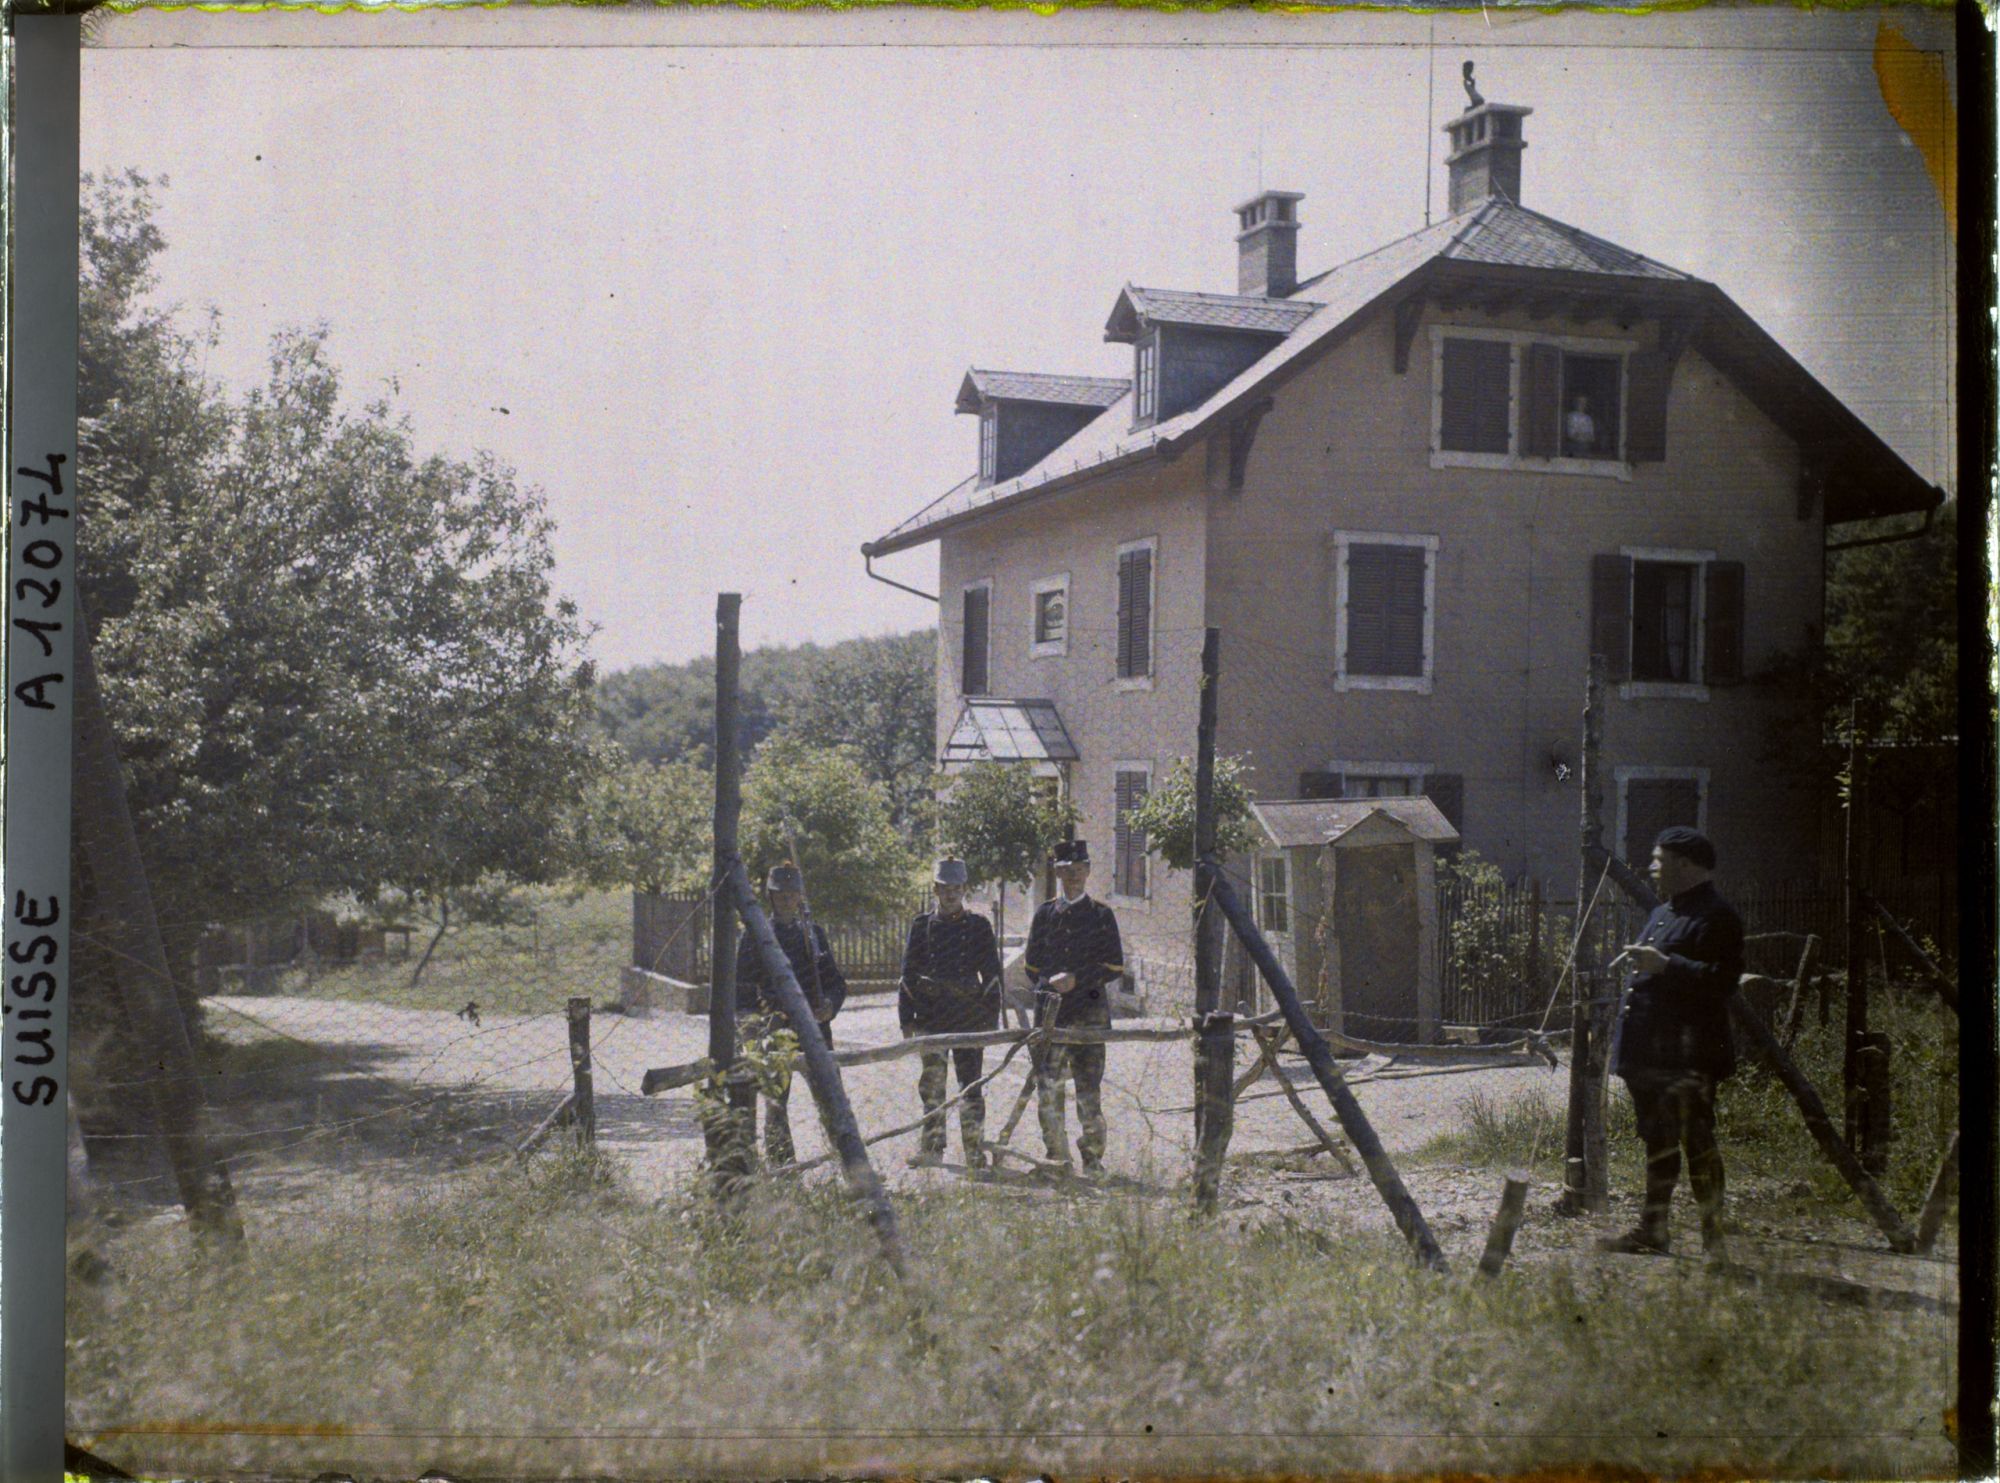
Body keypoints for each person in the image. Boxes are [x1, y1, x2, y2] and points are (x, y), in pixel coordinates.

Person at [1600, 826, 1743, 1258]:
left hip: (1688, 1056)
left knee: (1698, 1143)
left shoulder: (1718, 916)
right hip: (1649, 1054)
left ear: (1685, 864)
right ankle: (1653, 1231)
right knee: (1658, 1142)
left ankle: (1714, 1244)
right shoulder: (1665, 912)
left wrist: (1666, 964)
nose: (1651, 868)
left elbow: (1723, 982)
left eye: (1659, 861)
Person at [1023, 839, 1125, 1177]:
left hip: (1089, 1016)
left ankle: (1093, 1160)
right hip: (1051, 1016)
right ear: (1057, 872)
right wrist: (1050, 984)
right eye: (1066, 872)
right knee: (1049, 1089)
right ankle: (1056, 1157)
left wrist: (1078, 980)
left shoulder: (1101, 915)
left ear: (1089, 871)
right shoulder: (1044, 915)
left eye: (1079, 871)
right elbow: (1032, 966)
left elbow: (1114, 967)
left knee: (1088, 1091)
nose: (1073, 878)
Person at [734, 862, 847, 1166]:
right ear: (770, 896)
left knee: (833, 1099)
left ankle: (849, 1164)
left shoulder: (813, 934)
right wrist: (751, 1032)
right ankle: (784, 1169)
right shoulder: (756, 936)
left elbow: (836, 982)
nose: (786, 899)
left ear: (800, 896)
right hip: (775, 1029)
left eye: (792, 894)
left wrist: (830, 1005)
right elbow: (741, 990)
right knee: (776, 1104)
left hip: (815, 1027)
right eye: (780, 894)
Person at [899, 857, 1004, 1170]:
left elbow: (993, 978)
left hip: (969, 1018)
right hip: (931, 1017)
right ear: (935, 889)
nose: (950, 894)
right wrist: (907, 1020)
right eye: (945, 888)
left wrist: (989, 1020)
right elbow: (907, 977)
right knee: (932, 1086)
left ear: (965, 889)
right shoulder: (921, 927)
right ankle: (932, 1148)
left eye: (956, 888)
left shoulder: (979, 927)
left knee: (971, 1086)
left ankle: (974, 1151)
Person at [1563, 393, 1598, 457]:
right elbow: (1571, 435)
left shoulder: (1588, 419)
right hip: (1573, 449)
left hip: (1586, 449)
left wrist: (1581, 435)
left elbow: (1591, 437)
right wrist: (1583, 436)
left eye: (1584, 403)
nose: (1582, 405)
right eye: (1579, 402)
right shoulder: (1570, 416)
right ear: (1575, 403)